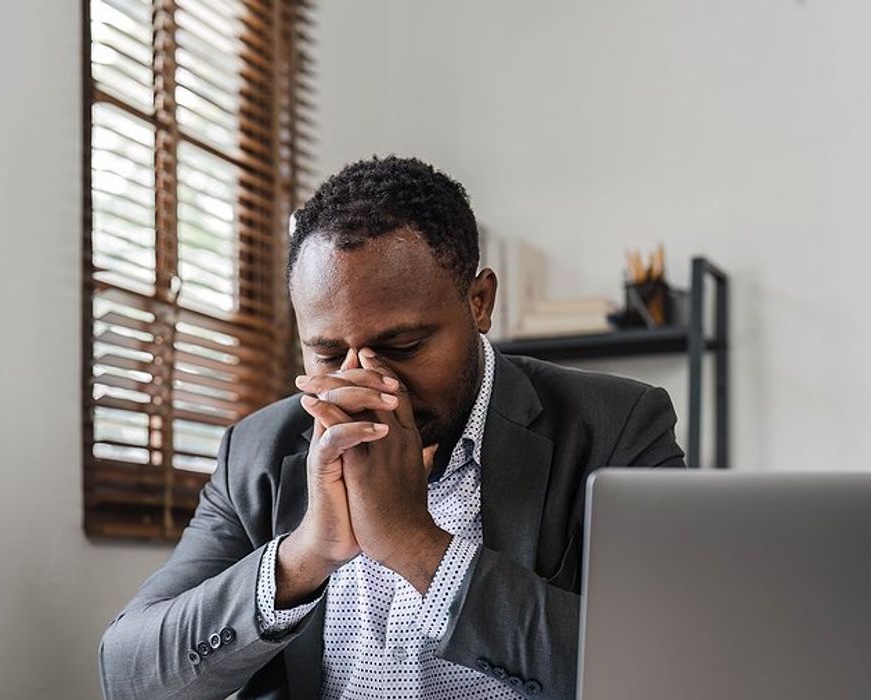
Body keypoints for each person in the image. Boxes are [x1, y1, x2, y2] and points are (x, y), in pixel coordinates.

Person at [98, 156, 685, 700]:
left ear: (479, 302)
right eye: (327, 355)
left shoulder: (617, 426)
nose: (369, 383)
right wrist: (305, 556)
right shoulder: (256, 452)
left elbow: (668, 670)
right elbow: (129, 676)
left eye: (401, 345)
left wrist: (412, 543)